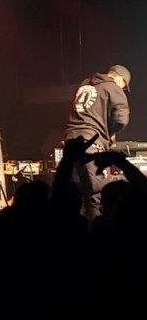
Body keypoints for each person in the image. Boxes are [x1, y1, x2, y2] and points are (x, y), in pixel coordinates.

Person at [63, 64, 131, 220]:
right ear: (120, 79)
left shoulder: (85, 84)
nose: (123, 90)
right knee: (96, 194)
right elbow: (121, 119)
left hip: (71, 142)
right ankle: (95, 236)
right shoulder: (113, 87)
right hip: (92, 142)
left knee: (77, 194)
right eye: (124, 86)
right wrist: (111, 133)